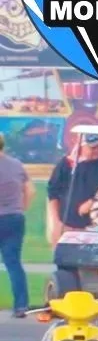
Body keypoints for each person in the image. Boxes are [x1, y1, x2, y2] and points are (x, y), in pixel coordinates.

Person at [46, 130, 98, 249]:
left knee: (89, 264)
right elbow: (53, 192)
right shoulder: (66, 164)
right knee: (63, 261)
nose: (96, 151)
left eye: (97, 147)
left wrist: (92, 202)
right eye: (92, 148)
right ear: (81, 147)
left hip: (91, 226)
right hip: (65, 222)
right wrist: (56, 221)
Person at [0, 133, 28, 315]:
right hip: (14, 217)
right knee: (14, 263)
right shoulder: (17, 165)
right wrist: (20, 208)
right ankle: (21, 305)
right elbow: (30, 191)